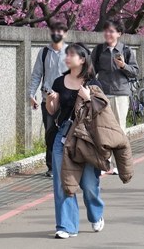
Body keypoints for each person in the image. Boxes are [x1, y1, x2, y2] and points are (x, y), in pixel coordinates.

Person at [45, 43, 107, 239]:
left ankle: (96, 214)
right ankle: (66, 226)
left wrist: (89, 98)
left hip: (86, 138)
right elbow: (53, 111)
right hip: (62, 137)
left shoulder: (94, 84)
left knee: (89, 184)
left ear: (82, 60)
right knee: (63, 182)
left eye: (72, 54)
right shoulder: (58, 82)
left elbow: (102, 112)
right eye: (67, 54)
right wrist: (51, 101)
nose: (67, 57)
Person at [91, 19, 139, 173]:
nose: (108, 34)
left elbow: (135, 72)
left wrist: (123, 66)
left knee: (119, 130)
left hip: (120, 93)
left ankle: (120, 165)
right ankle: (105, 164)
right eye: (106, 31)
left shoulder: (126, 50)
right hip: (103, 94)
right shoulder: (99, 50)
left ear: (119, 33)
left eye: (111, 31)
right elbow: (91, 71)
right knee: (103, 129)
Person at [28, 19, 70, 178]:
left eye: (60, 31)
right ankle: (52, 167)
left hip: (67, 101)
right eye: (54, 30)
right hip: (48, 100)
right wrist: (31, 95)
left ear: (65, 33)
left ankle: (67, 164)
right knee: (51, 133)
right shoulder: (44, 52)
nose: (56, 34)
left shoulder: (70, 52)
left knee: (67, 133)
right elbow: (36, 75)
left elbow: (76, 74)